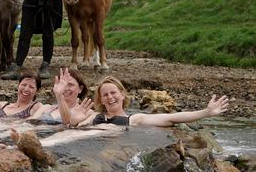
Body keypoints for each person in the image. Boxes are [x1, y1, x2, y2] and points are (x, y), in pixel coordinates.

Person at [77, 76, 230, 127]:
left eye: (113, 93)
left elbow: (172, 117)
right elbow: (70, 121)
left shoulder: (134, 119)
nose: (110, 97)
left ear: (122, 95)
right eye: (105, 95)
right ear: (101, 99)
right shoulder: (93, 115)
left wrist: (206, 112)